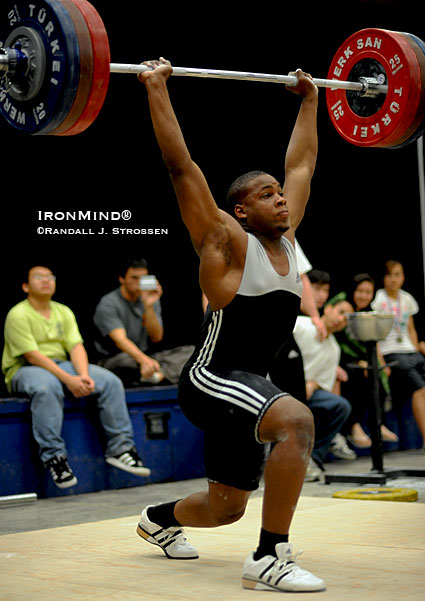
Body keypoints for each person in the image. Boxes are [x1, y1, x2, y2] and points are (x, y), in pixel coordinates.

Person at [136, 58, 325, 593]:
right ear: (239, 212)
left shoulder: (288, 242)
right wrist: (155, 87)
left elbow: (304, 162)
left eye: (278, 190)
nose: (280, 196)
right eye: (266, 194)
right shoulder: (226, 243)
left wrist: (310, 101)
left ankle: (159, 519)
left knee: (225, 510)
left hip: (249, 386)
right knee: (297, 421)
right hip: (210, 377)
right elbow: (181, 167)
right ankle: (270, 558)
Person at [2, 265, 151, 489]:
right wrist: (69, 380)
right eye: (38, 277)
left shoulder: (63, 311)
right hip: (24, 368)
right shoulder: (18, 314)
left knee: (109, 381)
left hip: (62, 365)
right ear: (25, 286)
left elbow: (76, 346)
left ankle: (121, 450)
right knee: (46, 387)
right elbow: (32, 356)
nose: (46, 280)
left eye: (50, 276)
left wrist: (82, 376)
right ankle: (55, 458)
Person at [93, 258, 194, 387]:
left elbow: (156, 337)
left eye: (143, 278)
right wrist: (144, 360)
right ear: (122, 279)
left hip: (144, 356)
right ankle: (158, 374)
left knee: (190, 352)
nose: (139, 282)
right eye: (134, 278)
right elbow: (120, 340)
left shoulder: (149, 299)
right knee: (125, 362)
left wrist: (148, 306)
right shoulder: (108, 303)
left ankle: (159, 375)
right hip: (116, 358)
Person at [293, 297, 355, 480]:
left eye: (346, 319)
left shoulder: (334, 349)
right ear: (328, 309)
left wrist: (311, 385)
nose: (341, 320)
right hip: (278, 385)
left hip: (306, 393)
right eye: (341, 312)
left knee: (339, 406)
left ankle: (312, 459)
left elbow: (323, 381)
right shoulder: (300, 325)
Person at [334, 273, 397, 447]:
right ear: (353, 290)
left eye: (368, 292)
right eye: (360, 291)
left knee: (377, 373)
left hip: (359, 359)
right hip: (338, 357)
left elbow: (373, 342)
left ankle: (378, 424)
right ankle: (353, 427)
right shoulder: (343, 305)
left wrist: (381, 362)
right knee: (358, 377)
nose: (363, 295)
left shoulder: (368, 312)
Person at [372, 260, 425, 446]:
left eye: (397, 275)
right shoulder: (378, 298)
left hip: (410, 350)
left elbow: (410, 328)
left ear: (403, 277)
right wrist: (379, 361)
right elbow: (375, 334)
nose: (393, 279)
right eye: (389, 275)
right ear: (384, 278)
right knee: (420, 389)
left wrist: (418, 345)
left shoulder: (407, 298)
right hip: (391, 352)